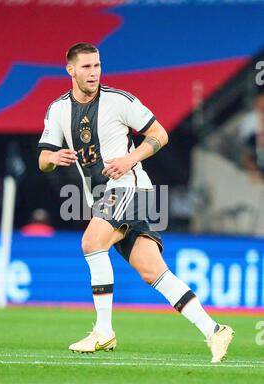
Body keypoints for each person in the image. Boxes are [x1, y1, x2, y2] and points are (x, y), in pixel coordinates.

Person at [38, 43, 234, 363]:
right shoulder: (58, 110)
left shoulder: (119, 101)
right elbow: (43, 157)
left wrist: (130, 159)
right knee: (152, 271)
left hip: (130, 187)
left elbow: (159, 134)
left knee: (91, 243)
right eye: (86, 67)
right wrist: (53, 158)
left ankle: (103, 331)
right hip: (102, 197)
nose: (94, 72)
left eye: (97, 65)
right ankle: (215, 331)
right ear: (70, 70)